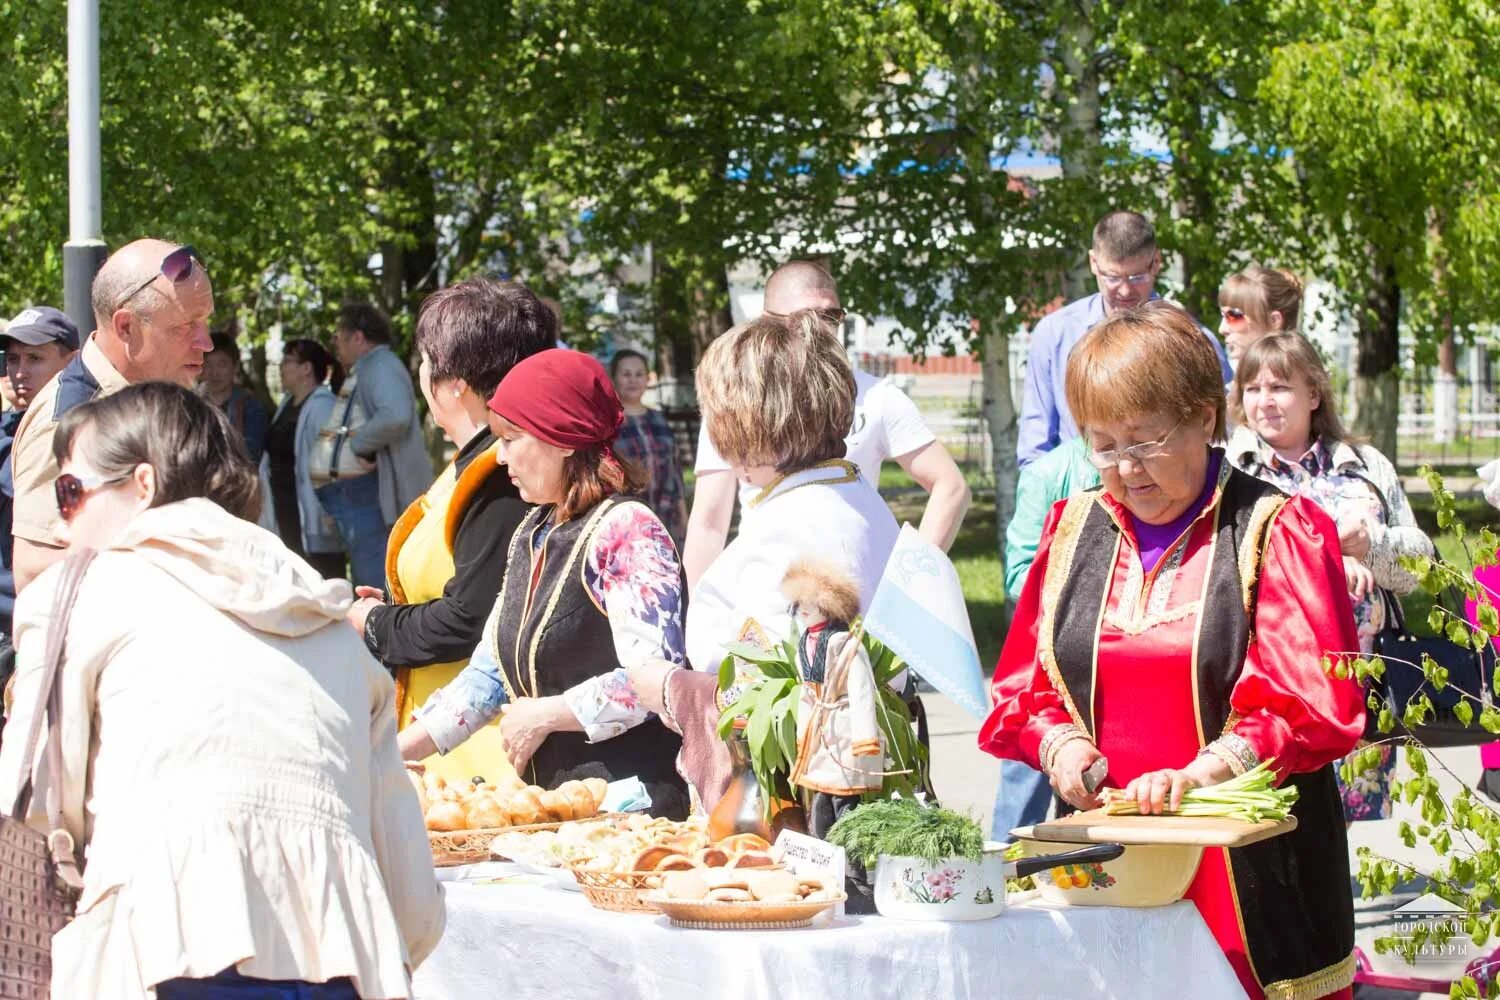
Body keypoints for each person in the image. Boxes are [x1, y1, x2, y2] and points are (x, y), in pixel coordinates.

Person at [0, 382, 443, 998]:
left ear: (144, 487)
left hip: (157, 946)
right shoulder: (325, 617)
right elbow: (407, 877)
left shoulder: (80, 594)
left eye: (70, 493)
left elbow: (37, 802)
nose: (63, 521)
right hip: (340, 959)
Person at [981, 303, 1364, 999]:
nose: (1126, 469)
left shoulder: (1276, 527)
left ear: (1206, 418)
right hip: (1115, 866)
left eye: (1147, 440)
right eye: (1103, 445)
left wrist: (1202, 774)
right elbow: (1028, 687)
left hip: (1252, 879)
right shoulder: (1072, 529)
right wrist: (1061, 748)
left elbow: (1308, 701)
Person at [396, 350, 690, 818]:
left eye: (512, 438)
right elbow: (488, 675)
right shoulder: (532, 533)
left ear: (564, 440)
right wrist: (394, 754)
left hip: (634, 811)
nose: (499, 454)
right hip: (559, 809)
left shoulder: (627, 530)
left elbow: (656, 683)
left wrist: (546, 714)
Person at [626, 311, 901, 811]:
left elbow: (773, 695)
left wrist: (670, 689)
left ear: (752, 421)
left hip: (797, 803)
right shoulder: (847, 492)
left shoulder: (796, 520)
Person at [346, 277, 553, 786]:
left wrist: (374, 623)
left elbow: (474, 617)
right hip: (445, 740)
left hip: (481, 757)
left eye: (424, 360)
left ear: (454, 379)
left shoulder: (500, 473)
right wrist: (394, 612)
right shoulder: (474, 463)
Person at [1228, 333, 1432, 822]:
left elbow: (1421, 564)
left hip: (1358, 682)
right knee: (1266, 820)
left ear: (1314, 394)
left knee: (1340, 832)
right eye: (1252, 389)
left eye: (1280, 387)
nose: (1265, 402)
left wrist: (1372, 546)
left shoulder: (1364, 468)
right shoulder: (1229, 472)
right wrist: (1326, 552)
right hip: (1265, 683)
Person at [682, 260, 968, 589]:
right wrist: (689, 617)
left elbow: (952, 486)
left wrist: (905, 587)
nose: (822, 329)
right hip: (763, 584)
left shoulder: (877, 396)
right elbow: (709, 524)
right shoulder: (736, 401)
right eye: (806, 317)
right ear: (767, 321)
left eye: (832, 316)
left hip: (854, 590)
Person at [10, 239, 214, 593]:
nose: (206, 342)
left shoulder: (161, 397)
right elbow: (31, 570)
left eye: (205, 322)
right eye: (186, 326)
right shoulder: (69, 419)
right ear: (126, 328)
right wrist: (168, 564)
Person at [1016, 211, 1233, 467]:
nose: (1125, 290)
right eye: (1113, 277)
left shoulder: (1192, 340)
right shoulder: (1054, 334)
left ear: (1156, 263)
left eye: (1137, 277)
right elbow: (1035, 446)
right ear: (1093, 263)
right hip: (1076, 495)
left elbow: (1220, 434)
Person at [990, 434, 1100, 837]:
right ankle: (1004, 874)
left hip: (1106, 669)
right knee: (1024, 783)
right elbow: (1018, 573)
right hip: (1049, 664)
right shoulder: (1049, 474)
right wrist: (1082, 598)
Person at [0, 306, 79, 721]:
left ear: (71, 360)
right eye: (12, 359)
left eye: (34, 358)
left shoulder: (83, 436)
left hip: (38, 626)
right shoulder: (8, 430)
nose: (19, 371)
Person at [322, 303, 434, 589]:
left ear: (358, 337)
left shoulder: (379, 365)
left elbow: (395, 416)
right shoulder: (375, 366)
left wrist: (357, 445)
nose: (336, 344)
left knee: (377, 582)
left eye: (339, 337)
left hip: (381, 498)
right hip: (376, 496)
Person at [258, 338, 347, 579]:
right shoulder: (286, 404)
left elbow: (332, 462)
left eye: (287, 361)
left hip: (314, 516)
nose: (281, 367)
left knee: (322, 580)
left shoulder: (323, 406)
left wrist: (330, 510)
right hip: (286, 513)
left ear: (306, 368)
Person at [610, 348, 688, 543]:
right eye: (626, 374)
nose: (633, 380)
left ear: (647, 379)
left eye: (639, 374)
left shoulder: (660, 420)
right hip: (626, 527)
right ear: (614, 379)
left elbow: (675, 476)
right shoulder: (608, 425)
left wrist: (686, 524)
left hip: (666, 523)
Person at [200, 331, 270, 462]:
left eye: (222, 364)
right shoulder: (191, 405)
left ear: (236, 367)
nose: (214, 372)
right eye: (208, 364)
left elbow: (251, 455)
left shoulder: (251, 408)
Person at [1218, 265, 1304, 368]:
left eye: (1234, 316)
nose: (1222, 329)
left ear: (1274, 321)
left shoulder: (1298, 380)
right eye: (1223, 315)